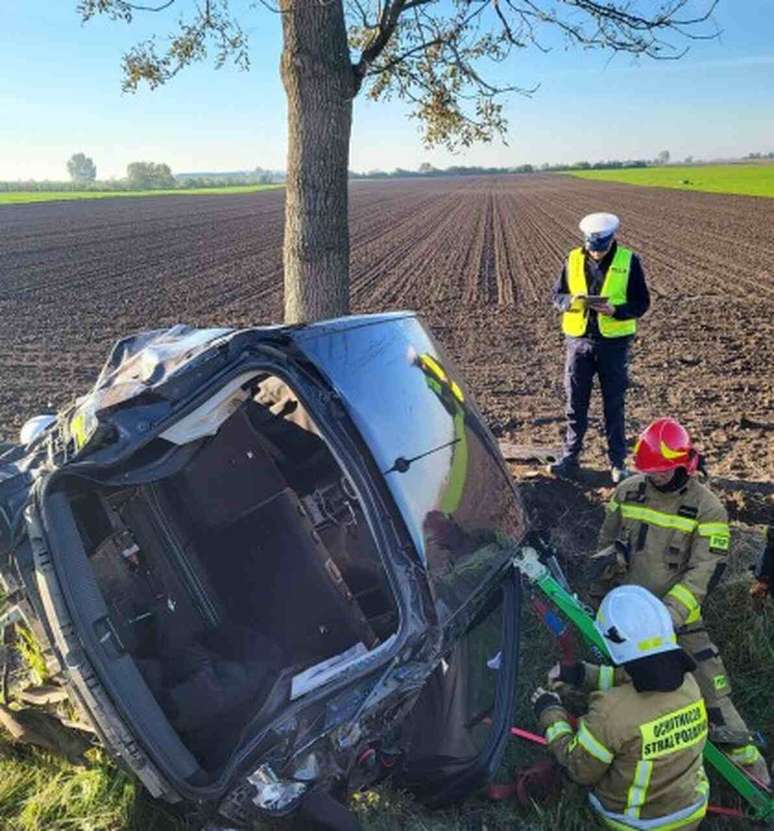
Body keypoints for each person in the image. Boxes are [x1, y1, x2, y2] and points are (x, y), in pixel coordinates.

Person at [590, 417, 770, 786]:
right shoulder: (626, 492)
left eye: (661, 471)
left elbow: (703, 574)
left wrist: (666, 616)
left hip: (678, 617)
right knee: (617, 682)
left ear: (682, 464)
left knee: (712, 689)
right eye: (649, 471)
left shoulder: (708, 509)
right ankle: (614, 751)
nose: (653, 477)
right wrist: (608, 567)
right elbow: (605, 544)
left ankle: (753, 777)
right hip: (626, 612)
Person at [532, 585, 710, 831]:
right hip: (692, 809)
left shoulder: (610, 712)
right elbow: (629, 679)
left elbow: (579, 768)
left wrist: (550, 712)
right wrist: (581, 673)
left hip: (634, 823)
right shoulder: (689, 685)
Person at [549, 212, 650, 485]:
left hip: (613, 345)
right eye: (592, 248)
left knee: (614, 405)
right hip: (578, 342)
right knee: (575, 404)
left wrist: (615, 310)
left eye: (601, 248)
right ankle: (570, 458)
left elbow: (642, 303)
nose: (596, 253)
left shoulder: (629, 261)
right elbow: (556, 294)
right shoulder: (571, 259)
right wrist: (568, 301)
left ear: (611, 240)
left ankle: (617, 463)